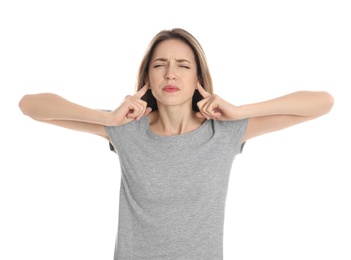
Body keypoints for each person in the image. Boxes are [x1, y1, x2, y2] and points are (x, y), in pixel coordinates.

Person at [19, 28, 334, 260]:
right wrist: (109, 119)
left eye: (183, 65)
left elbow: (322, 102)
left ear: (198, 76)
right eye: (159, 65)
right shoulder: (126, 129)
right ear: (147, 77)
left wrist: (241, 111)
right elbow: (30, 106)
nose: (171, 73)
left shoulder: (225, 131)